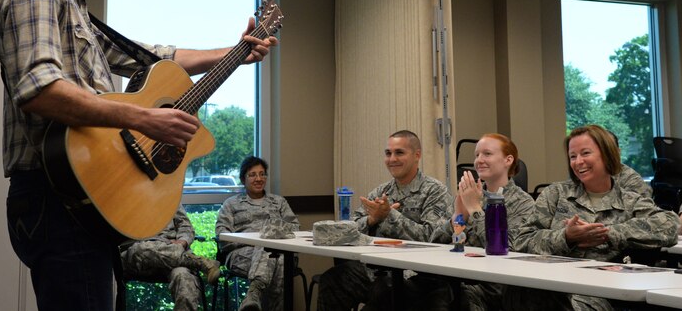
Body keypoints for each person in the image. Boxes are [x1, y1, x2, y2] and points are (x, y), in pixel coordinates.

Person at [0, 0, 278, 311]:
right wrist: (142, 119)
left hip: (84, 198)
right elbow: (40, 90)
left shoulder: (72, 3)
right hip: (56, 196)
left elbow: (151, 56)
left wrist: (236, 52)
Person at [509, 124, 680, 311]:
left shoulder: (629, 201)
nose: (578, 162)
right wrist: (566, 237)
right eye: (572, 156)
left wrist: (609, 233)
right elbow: (521, 240)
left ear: (607, 155)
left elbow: (669, 226)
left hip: (597, 293)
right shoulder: (556, 194)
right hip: (550, 285)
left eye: (585, 153)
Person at [317, 130, 452, 311]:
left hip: (416, 275)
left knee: (386, 292)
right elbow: (349, 229)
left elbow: (432, 237)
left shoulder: (434, 191)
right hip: (376, 270)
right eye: (388, 153)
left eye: (399, 153)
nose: (392, 159)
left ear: (417, 155)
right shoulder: (381, 192)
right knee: (334, 279)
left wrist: (390, 215)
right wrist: (372, 220)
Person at [430, 133, 536, 311]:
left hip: (493, 286)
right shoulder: (470, 194)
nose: (479, 160)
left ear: (508, 160)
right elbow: (435, 243)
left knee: (443, 297)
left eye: (487, 154)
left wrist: (475, 210)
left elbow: (508, 249)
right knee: (400, 289)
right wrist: (458, 216)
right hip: (456, 274)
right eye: (476, 155)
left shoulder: (524, 204)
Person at [216, 156, 299, 311]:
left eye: (262, 174)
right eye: (253, 175)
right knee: (268, 251)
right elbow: (222, 237)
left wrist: (270, 239)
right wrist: (255, 241)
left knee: (275, 256)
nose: (258, 179)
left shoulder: (279, 202)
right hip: (241, 255)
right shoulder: (231, 204)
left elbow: (294, 228)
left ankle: (253, 296)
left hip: (280, 253)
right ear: (243, 179)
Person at [120, 206, 220, 310]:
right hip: (135, 254)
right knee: (142, 248)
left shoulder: (169, 198)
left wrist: (183, 242)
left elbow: (186, 227)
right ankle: (198, 262)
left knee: (183, 277)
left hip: (171, 252)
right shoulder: (124, 198)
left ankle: (193, 262)